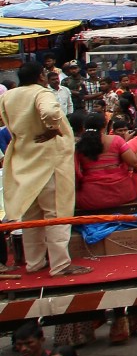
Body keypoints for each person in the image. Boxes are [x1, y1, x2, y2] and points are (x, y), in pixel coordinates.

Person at [0, 61, 84, 279]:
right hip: (49, 161)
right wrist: (53, 129)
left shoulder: (8, 96)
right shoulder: (41, 93)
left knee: (31, 217)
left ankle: (34, 263)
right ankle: (60, 265)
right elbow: (49, 112)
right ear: (40, 77)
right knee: (56, 213)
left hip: (23, 161)